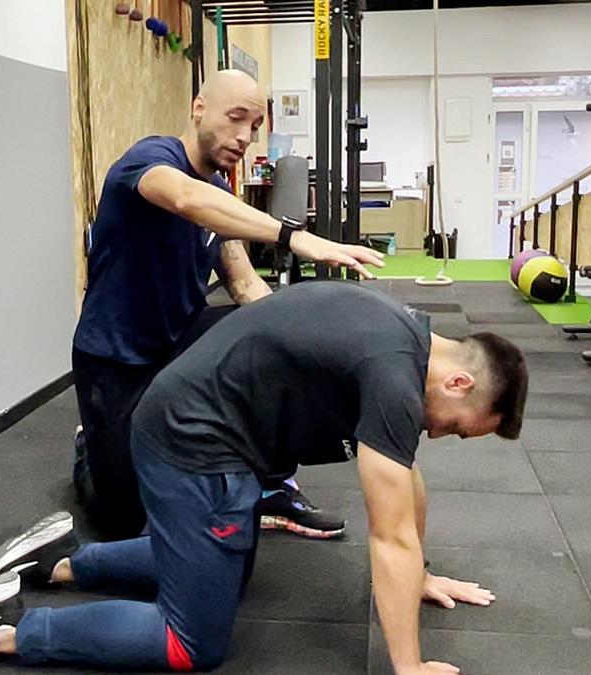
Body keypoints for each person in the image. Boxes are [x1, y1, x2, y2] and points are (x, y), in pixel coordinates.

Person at [0, 281, 529, 674]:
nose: (440, 434)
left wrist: (419, 576)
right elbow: (388, 536)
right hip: (192, 443)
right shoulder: (396, 378)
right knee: (191, 645)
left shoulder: (406, 336)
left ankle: (58, 564)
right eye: (457, 427)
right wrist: (409, 666)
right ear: (459, 383)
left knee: (225, 565)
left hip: (198, 425)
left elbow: (405, 479)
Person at [72, 69, 385, 541]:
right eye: (235, 118)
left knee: (273, 337)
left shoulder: (219, 196)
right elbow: (184, 198)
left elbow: (244, 286)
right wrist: (294, 237)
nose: (244, 137)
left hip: (177, 346)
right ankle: (89, 451)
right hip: (114, 358)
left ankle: (272, 484)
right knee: (122, 524)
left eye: (254, 127)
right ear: (199, 108)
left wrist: (311, 339)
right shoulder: (151, 160)